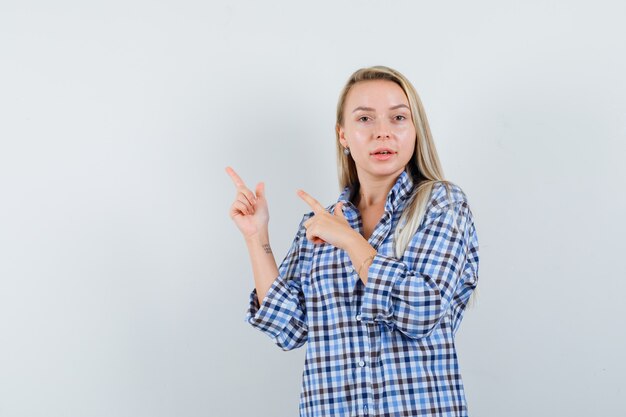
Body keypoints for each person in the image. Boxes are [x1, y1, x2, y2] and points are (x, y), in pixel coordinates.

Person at [226, 65, 480, 417]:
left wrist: (348, 240)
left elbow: (422, 311)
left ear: (415, 130)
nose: (382, 133)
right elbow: (288, 326)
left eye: (398, 118)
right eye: (365, 119)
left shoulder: (442, 205)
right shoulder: (320, 224)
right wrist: (257, 237)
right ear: (342, 135)